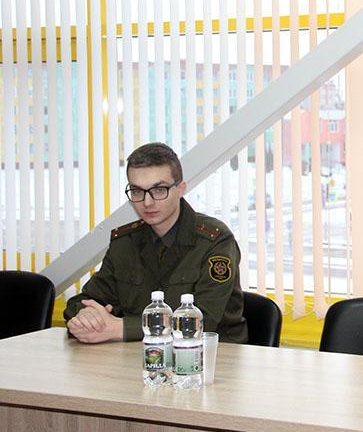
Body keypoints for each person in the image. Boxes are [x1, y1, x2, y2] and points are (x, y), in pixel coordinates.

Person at [64, 142, 248, 344]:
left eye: (159, 190)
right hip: (141, 355)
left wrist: (119, 328)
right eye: (137, 191)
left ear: (180, 189)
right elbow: (81, 302)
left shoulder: (215, 242)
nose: (147, 202)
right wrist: (87, 316)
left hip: (212, 355)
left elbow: (204, 320)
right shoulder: (124, 243)